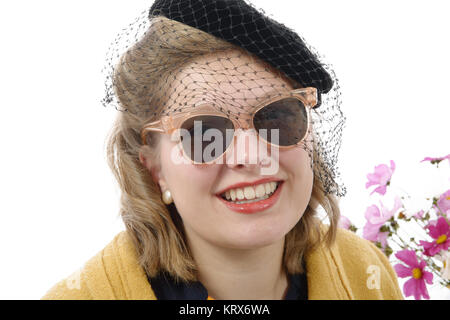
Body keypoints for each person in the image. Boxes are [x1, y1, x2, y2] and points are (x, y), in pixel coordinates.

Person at [42, 0, 403, 300]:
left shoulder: (366, 273)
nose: (252, 155)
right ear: (154, 167)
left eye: (277, 116)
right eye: (204, 132)